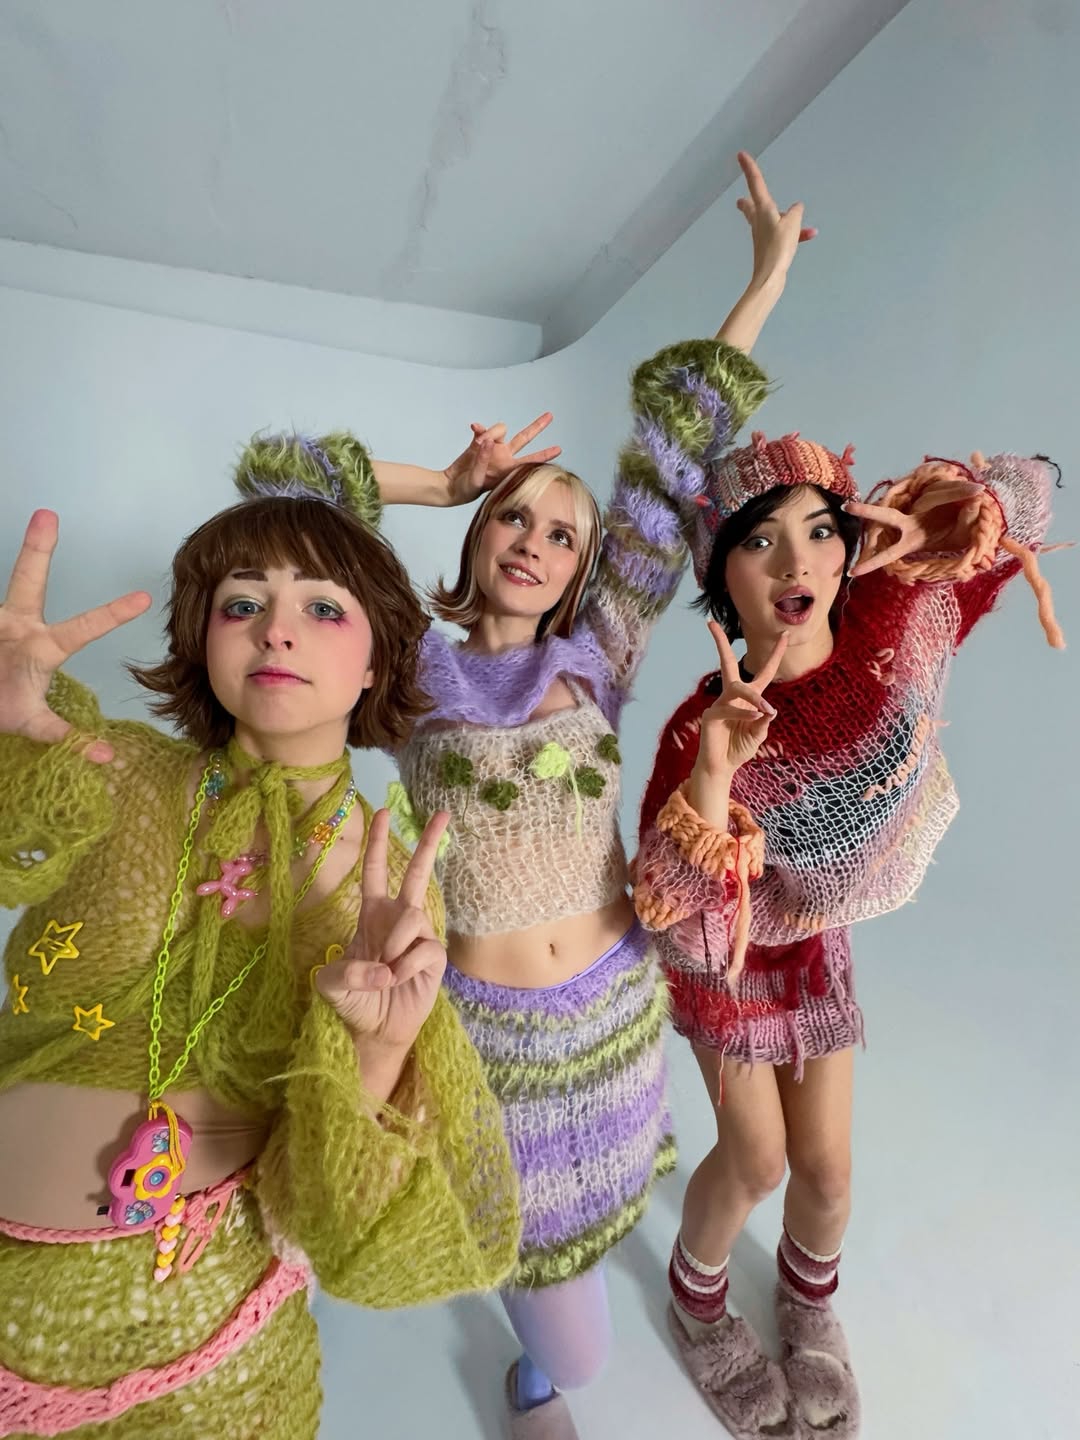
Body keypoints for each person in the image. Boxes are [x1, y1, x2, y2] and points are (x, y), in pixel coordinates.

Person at [365, 153, 814, 1439]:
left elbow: (672, 463)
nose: (535, 540)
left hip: (618, 1019)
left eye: (562, 533)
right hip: (489, 1045)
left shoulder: (597, 657)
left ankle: (542, 1366)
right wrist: (436, 479)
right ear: (479, 534)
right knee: (569, 1330)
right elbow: (293, 498)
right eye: (513, 516)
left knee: (602, 1243)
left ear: (579, 572)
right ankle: (536, 1367)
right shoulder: (403, 670)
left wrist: (761, 285)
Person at [0, 468, 519, 1438]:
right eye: (242, 604)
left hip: (216, 1362)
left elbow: (336, 1222)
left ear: (378, 660)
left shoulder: (394, 890)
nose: (276, 630)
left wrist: (377, 1048)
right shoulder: (115, 771)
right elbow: (18, 826)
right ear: (203, 639)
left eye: (322, 608)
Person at [633, 422, 1064, 1438]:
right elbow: (662, 899)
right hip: (724, 957)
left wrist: (950, 507)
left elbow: (1034, 493)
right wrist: (713, 775)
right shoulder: (704, 727)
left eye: (820, 530)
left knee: (827, 1174)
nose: (797, 563)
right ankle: (697, 1304)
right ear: (720, 575)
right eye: (759, 540)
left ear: (851, 540)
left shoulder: (894, 618)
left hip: (813, 942)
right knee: (758, 1162)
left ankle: (810, 1304)